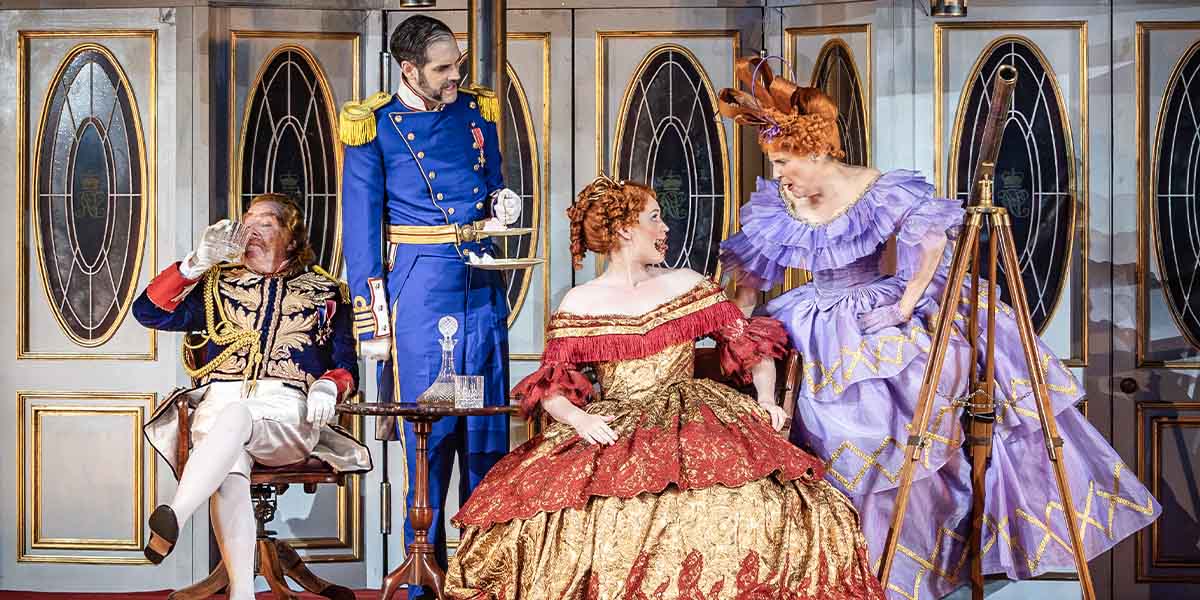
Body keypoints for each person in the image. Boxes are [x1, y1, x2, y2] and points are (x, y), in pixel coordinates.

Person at [717, 57, 1160, 598]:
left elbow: (930, 241)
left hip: (877, 313)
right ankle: (842, 572)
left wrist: (904, 305)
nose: (780, 175)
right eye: (776, 163)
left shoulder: (875, 188)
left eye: (785, 161)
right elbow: (749, 277)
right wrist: (738, 326)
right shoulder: (781, 204)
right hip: (815, 321)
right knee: (822, 441)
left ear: (815, 150)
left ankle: (915, 569)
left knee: (914, 427)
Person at [442, 175, 885, 599]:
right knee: (572, 514)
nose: (665, 227)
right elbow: (552, 388)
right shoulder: (580, 303)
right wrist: (579, 419)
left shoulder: (687, 285)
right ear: (624, 229)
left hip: (693, 414)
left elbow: (751, 347)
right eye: (654, 218)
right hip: (616, 422)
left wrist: (767, 399)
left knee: (750, 502)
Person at [338, 14, 523, 593]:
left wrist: (502, 203)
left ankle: (483, 578)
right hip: (420, 293)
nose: (454, 76)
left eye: (457, 65)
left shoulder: (476, 111)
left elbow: (489, 183)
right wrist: (374, 323)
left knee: (485, 435)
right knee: (432, 434)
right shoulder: (374, 126)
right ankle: (425, 579)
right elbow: (361, 236)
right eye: (442, 69)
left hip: (480, 286)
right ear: (408, 69)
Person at [134, 194, 371, 599]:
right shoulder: (217, 285)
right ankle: (241, 593)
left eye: (266, 222)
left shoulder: (327, 293)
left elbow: (347, 364)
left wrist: (329, 385)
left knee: (235, 417)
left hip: (287, 412)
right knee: (230, 461)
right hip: (219, 405)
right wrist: (195, 263)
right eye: (248, 220)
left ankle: (176, 513)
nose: (251, 229)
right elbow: (149, 312)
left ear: (292, 237)